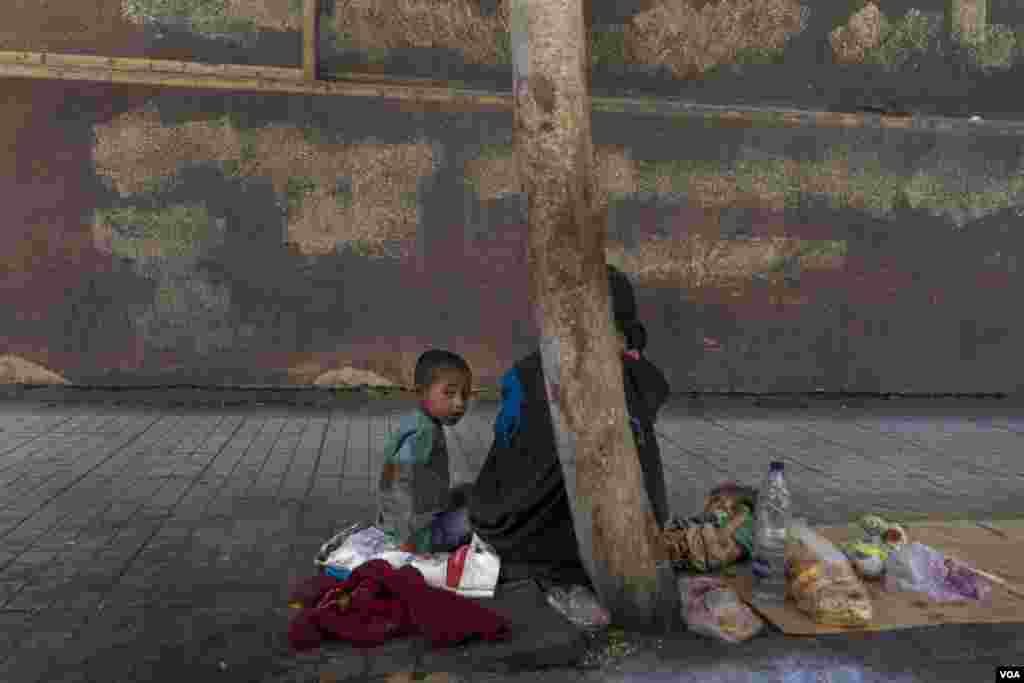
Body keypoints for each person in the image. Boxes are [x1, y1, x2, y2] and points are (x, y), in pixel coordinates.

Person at [467, 265, 672, 587]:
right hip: (560, 549)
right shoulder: (632, 379)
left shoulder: (524, 371)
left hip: (497, 529)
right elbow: (655, 388)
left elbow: (505, 460)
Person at [376, 349, 474, 554]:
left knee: (469, 491)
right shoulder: (424, 432)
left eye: (464, 395)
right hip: (420, 536)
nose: (459, 403)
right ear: (421, 393)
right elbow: (399, 483)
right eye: (449, 393)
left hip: (412, 519)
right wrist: (405, 540)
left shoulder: (419, 420)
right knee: (484, 518)